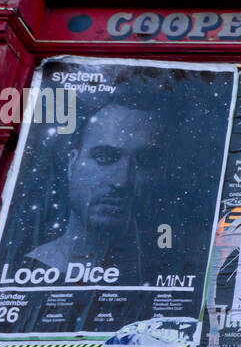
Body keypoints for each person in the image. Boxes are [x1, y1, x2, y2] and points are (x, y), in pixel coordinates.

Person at [23, 103, 162, 279]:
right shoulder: (29, 266)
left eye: (145, 160)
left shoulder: (160, 270)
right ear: (72, 163)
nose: (122, 181)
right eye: (104, 157)